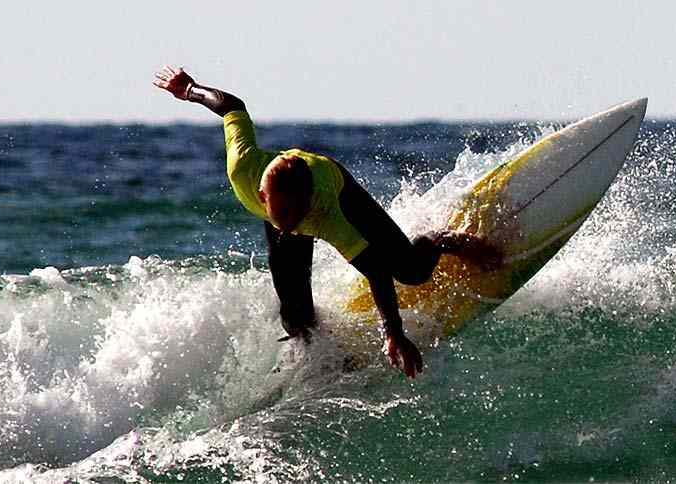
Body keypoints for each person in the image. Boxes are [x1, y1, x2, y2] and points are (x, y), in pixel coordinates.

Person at [153, 66, 495, 378]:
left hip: (337, 186)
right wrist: (190, 90)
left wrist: (394, 333)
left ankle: (441, 240)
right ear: (262, 199)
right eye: (285, 215)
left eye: (298, 215)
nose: (292, 224)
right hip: (287, 191)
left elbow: (375, 270)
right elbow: (232, 106)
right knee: (295, 315)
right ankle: (328, 362)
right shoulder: (242, 167)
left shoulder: (323, 214)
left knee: (410, 272)